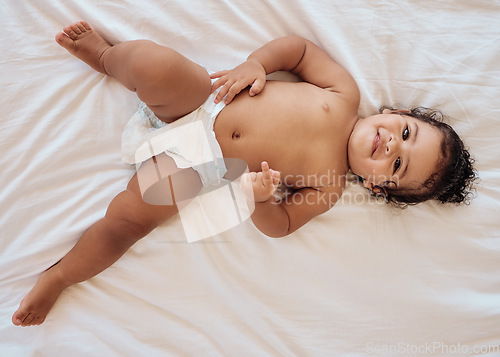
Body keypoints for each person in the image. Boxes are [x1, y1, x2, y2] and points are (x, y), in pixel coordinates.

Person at [12, 21, 476, 327]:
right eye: (407, 133)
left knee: (127, 222)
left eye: (397, 164)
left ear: (376, 186)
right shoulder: (343, 93)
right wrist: (257, 64)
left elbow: (281, 227)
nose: (393, 145)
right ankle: (106, 58)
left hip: (199, 166)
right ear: (396, 113)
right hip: (205, 99)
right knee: (155, 63)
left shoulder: (330, 188)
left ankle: (61, 277)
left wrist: (261, 200)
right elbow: (297, 51)